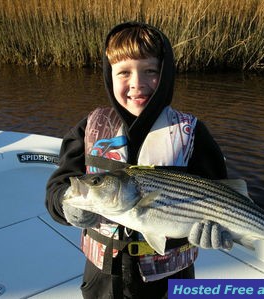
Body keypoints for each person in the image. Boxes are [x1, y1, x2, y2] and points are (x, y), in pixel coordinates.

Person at [45, 21, 231, 299]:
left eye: (150, 71)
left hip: (172, 273)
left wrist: (216, 231)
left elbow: (221, 192)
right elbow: (59, 185)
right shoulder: (89, 127)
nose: (137, 84)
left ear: (166, 75)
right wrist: (64, 204)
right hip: (103, 274)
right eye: (123, 73)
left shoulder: (192, 132)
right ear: (109, 76)